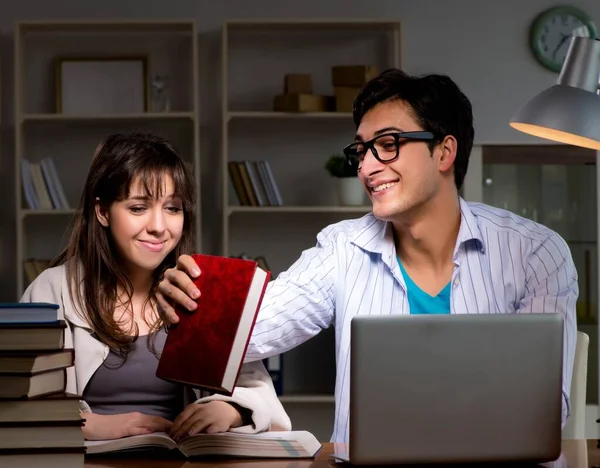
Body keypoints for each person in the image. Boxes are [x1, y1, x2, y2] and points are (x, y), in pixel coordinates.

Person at [156, 69, 578, 443]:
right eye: (361, 150)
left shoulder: (535, 253)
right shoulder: (342, 249)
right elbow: (248, 333)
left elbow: (545, 407)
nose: (367, 167)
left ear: (445, 152)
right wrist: (186, 302)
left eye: (389, 144)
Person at [20, 131, 291, 442]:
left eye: (172, 208)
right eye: (138, 208)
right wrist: (89, 426)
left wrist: (231, 410)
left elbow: (263, 398)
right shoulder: (51, 291)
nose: (159, 227)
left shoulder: (201, 290)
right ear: (103, 212)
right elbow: (22, 402)